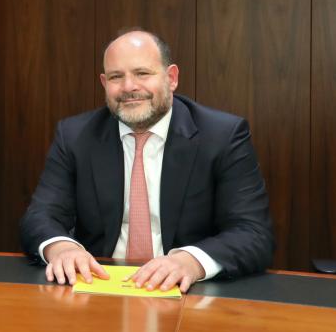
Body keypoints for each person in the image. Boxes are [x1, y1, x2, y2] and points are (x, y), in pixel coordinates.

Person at [20, 29, 273, 292]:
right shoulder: (75, 136)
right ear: (104, 83)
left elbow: (253, 232)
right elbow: (41, 215)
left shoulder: (222, 136)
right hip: (99, 286)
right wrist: (62, 248)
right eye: (116, 77)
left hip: (188, 293)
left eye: (142, 73)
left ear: (171, 78)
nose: (129, 87)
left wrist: (191, 262)